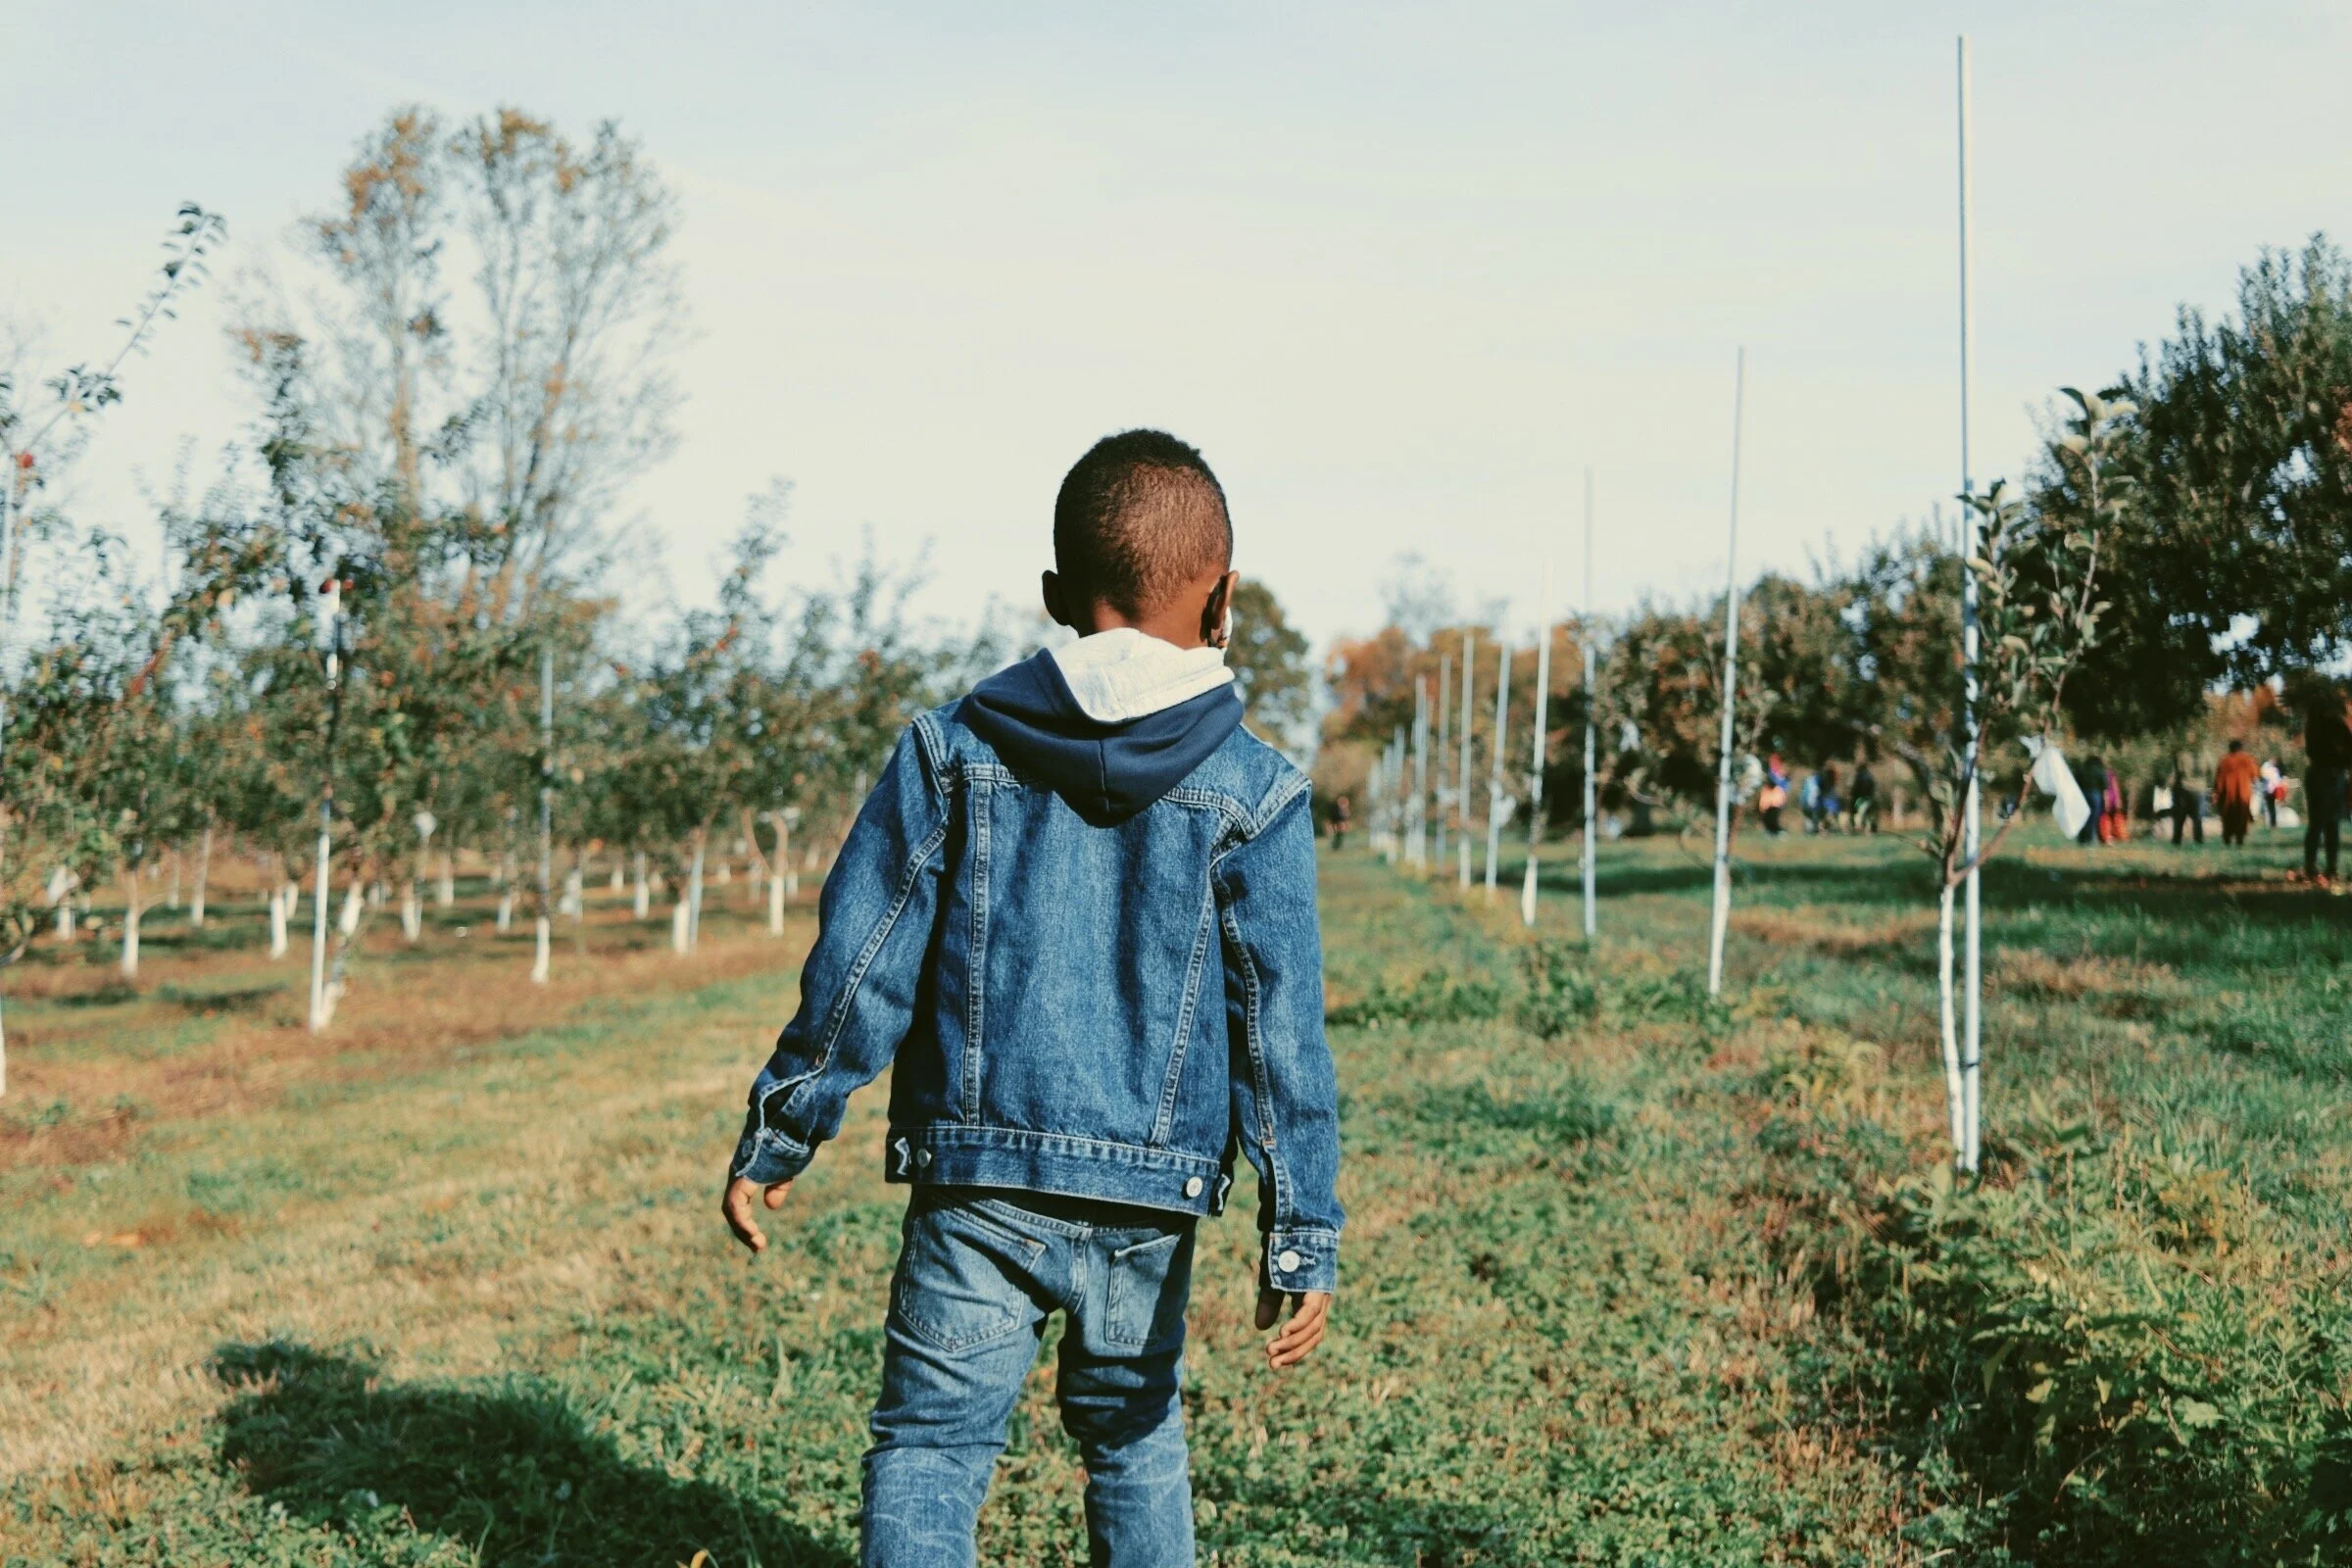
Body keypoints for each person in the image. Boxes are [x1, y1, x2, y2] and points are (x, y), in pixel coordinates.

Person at [720, 430, 1341, 1566]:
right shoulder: (1256, 790)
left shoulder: (952, 749)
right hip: (1150, 1203)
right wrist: (1297, 1232)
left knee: (931, 1448)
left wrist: (783, 1128)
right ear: (1225, 600)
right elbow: (1279, 1026)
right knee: (1135, 1440)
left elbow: (863, 958)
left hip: (977, 1186)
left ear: (1056, 595)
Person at [2302, 692, 2352, 886]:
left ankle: (2311, 866)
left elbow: (2310, 751)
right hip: (2333, 775)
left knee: (2316, 824)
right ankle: (2331, 868)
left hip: (2316, 774)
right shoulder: (2335, 724)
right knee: (2332, 824)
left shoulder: (2312, 724)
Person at [2214, 739, 2259, 847]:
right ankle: (2240, 839)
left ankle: (2227, 837)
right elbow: (2255, 775)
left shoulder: (2224, 760)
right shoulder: (2247, 759)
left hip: (2227, 794)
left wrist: (2217, 792)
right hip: (2243, 794)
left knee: (2228, 816)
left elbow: (2218, 779)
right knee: (2241, 816)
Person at [2169, 757, 2205, 846]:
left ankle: (2177, 840)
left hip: (2184, 788)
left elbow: (2176, 774)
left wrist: (2172, 787)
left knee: (2180, 816)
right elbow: (2211, 770)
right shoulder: (2204, 754)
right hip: (2198, 789)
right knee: (2197, 817)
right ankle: (2198, 840)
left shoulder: (2182, 756)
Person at [1849, 761, 1879, 833]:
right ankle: (1867, 827)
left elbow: (1854, 788)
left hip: (1862, 798)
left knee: (1862, 813)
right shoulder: (1868, 776)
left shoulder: (1862, 776)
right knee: (1865, 813)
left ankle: (1864, 827)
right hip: (1865, 798)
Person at [2259, 757, 2283, 829]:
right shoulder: (2269, 768)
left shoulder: (2273, 769)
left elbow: (2276, 780)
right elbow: (2265, 775)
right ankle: (2271, 824)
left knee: (2271, 808)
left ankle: (2272, 824)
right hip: (2268, 791)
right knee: (2269, 808)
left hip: (2271, 791)